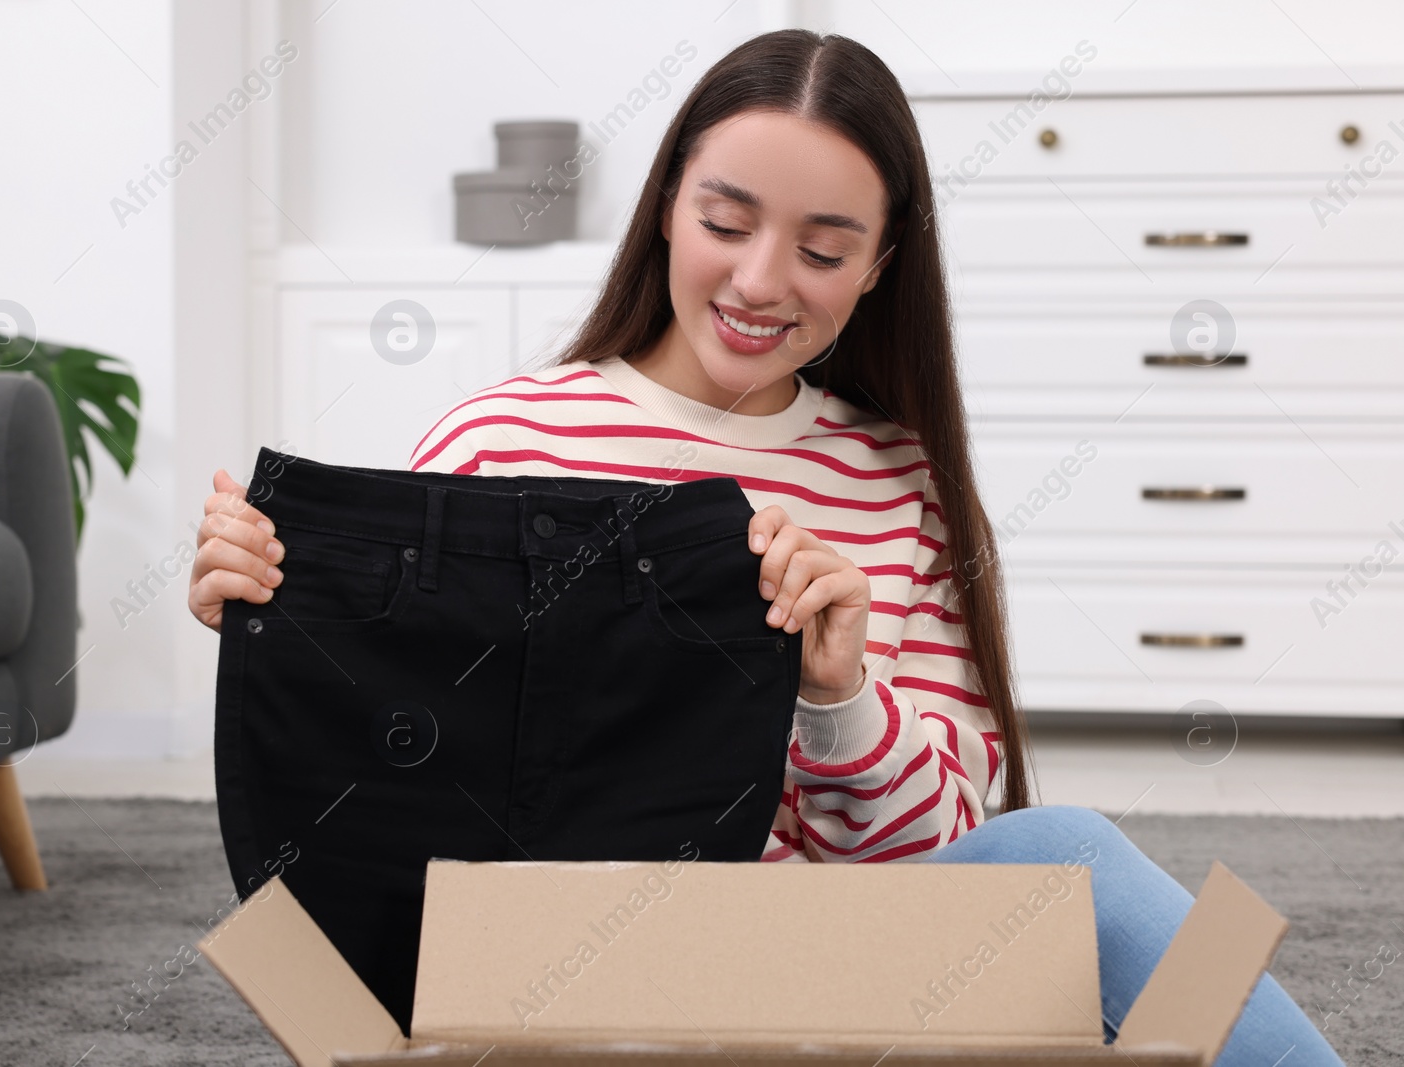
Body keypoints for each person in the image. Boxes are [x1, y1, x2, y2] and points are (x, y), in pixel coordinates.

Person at [188, 28, 1344, 1066]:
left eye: (823, 250)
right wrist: (279, 618)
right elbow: (400, 782)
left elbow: (952, 852)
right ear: (666, 207)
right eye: (725, 222)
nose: (757, 281)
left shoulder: (898, 481)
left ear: (882, 265)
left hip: (826, 975)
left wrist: (838, 692)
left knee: (1069, 851)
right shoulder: (500, 439)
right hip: (561, 981)